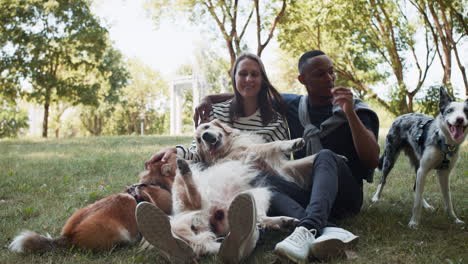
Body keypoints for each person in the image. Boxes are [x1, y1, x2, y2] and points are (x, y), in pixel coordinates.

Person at [194, 50, 380, 262]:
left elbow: (372, 160)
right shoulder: (292, 105)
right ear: (303, 80)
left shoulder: (357, 108)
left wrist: (350, 114)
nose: (329, 78)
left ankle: (307, 228)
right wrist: (209, 98)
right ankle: (329, 230)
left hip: (345, 196)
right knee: (259, 176)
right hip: (307, 194)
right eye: (320, 74)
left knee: (326, 156)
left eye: (331, 72)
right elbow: (250, 90)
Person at [136, 52, 290, 263]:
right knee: (190, 198)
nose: (248, 79)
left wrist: (265, 167)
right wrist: (175, 150)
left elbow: (283, 163)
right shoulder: (218, 113)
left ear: (263, 79)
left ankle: (232, 244)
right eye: (242, 74)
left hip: (248, 183)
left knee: (250, 211)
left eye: (255, 74)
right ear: (234, 78)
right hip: (215, 184)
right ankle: (176, 241)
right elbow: (196, 150)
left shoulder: (275, 122)